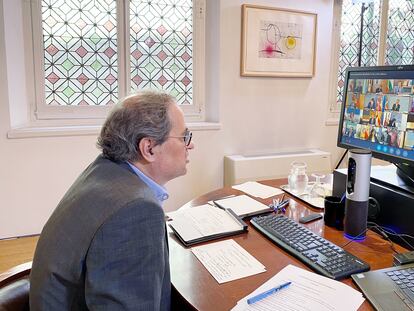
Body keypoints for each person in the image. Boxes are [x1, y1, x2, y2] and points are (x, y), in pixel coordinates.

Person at [30, 90, 194, 310]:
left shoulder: (105, 170)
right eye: (184, 137)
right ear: (149, 148)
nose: (190, 145)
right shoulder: (136, 210)